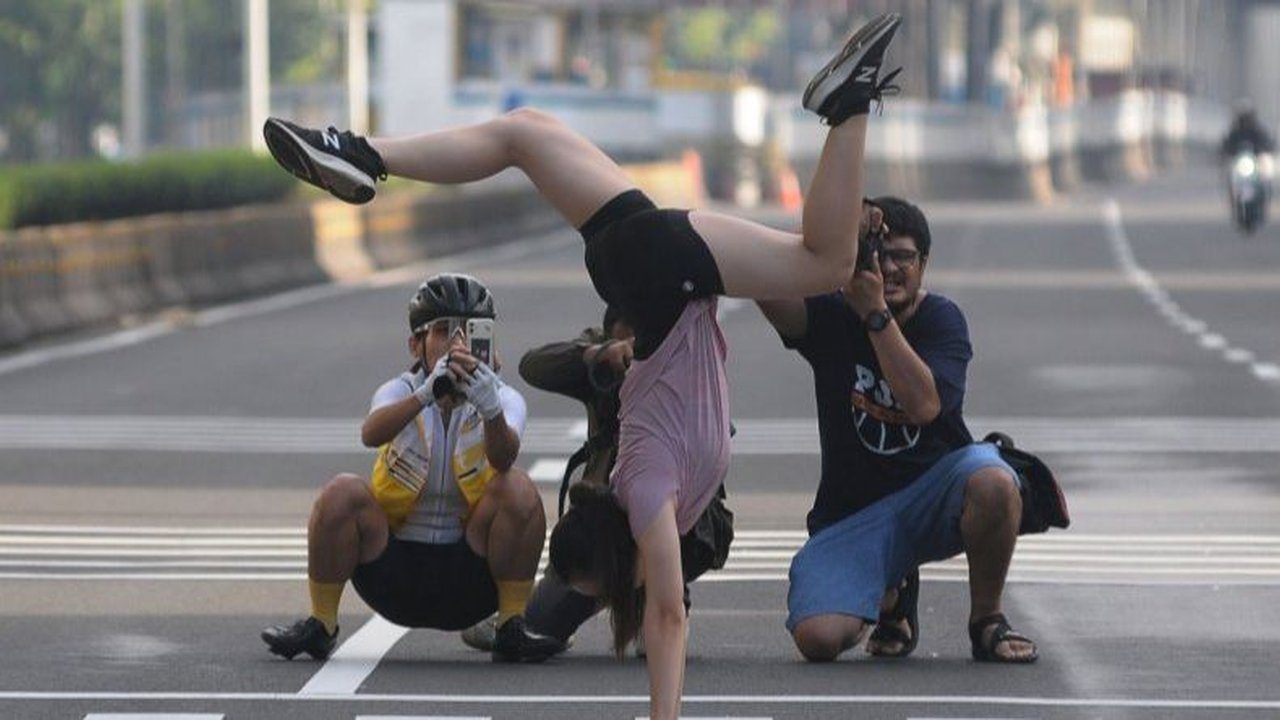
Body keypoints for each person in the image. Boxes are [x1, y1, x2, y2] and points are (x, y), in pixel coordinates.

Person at [260, 12, 903, 719]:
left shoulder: (647, 480)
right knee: (523, 132)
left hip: (662, 272)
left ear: (631, 530)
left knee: (822, 261)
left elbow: (665, 614)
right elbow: (662, 605)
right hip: (645, 266)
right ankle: (355, 152)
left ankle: (848, 105)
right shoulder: (657, 483)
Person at [755, 196, 1038, 665]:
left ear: (923, 265)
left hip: (932, 495)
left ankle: (986, 619)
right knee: (818, 639)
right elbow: (766, 281)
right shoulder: (830, 313)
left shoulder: (942, 320)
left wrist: (875, 315)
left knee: (993, 480)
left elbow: (924, 405)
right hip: (852, 515)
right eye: (877, 256)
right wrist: (829, 239)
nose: (889, 269)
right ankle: (891, 595)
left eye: (902, 257)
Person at [260, 273, 565, 664]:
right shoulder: (401, 390)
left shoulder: (502, 397)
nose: (457, 345)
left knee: (519, 488)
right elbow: (371, 433)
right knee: (342, 490)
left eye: (470, 333)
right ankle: (321, 625)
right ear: (415, 344)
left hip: (469, 575)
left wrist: (489, 410)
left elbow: (503, 458)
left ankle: (509, 625)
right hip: (393, 571)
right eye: (443, 332)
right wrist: (425, 395)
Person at [459, 305, 734, 654]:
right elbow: (533, 365)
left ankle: (666, 597)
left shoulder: (689, 355)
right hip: (603, 532)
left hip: (681, 519)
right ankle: (625, 598)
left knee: (659, 636)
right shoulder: (604, 362)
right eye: (627, 344)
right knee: (536, 627)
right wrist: (597, 356)